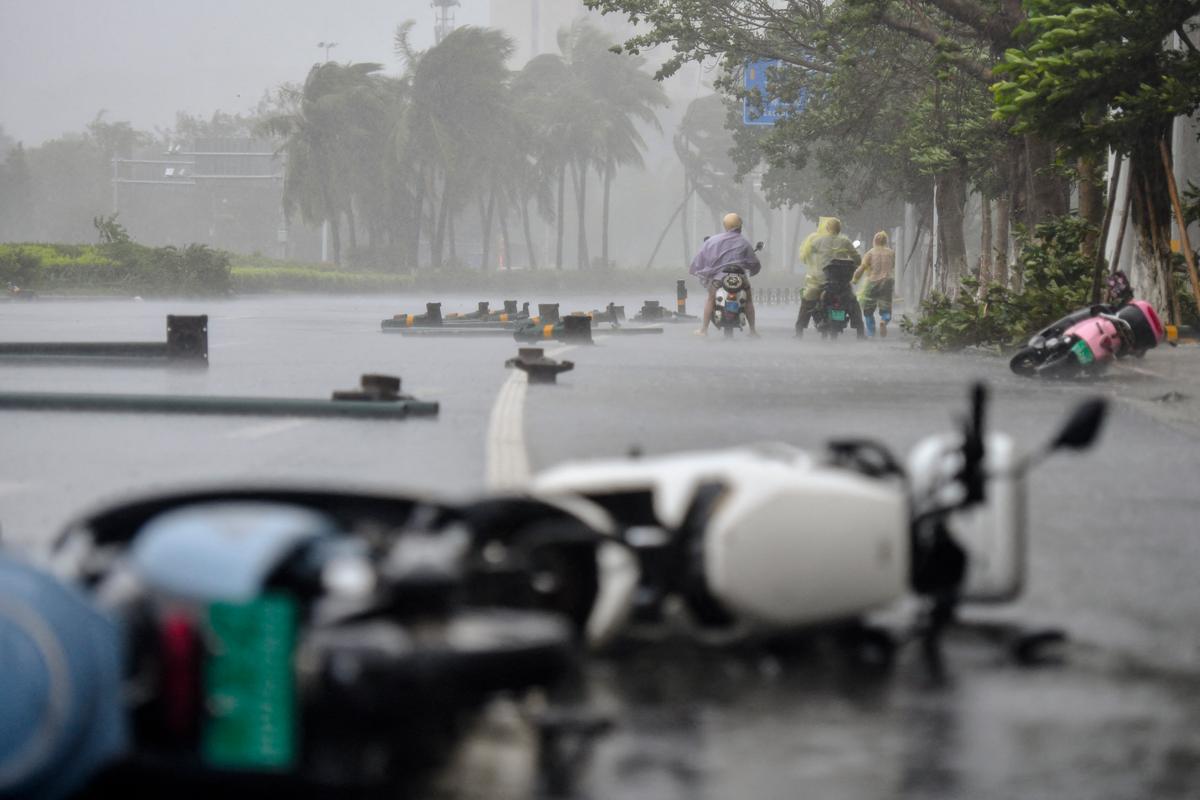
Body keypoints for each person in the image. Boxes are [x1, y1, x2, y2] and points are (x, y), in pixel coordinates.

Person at [690, 212, 762, 336]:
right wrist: (752, 270)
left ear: (725, 226)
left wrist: (700, 270)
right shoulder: (744, 242)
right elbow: (754, 263)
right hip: (741, 279)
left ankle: (704, 330)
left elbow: (699, 259)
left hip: (719, 279)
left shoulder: (712, 241)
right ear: (739, 226)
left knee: (711, 299)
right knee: (749, 301)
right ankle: (753, 331)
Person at [794, 216, 865, 338]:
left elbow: (808, 251)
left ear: (827, 228)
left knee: (807, 301)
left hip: (821, 282)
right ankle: (860, 332)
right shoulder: (845, 242)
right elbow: (858, 259)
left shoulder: (819, 241)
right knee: (853, 303)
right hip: (842, 285)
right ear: (839, 229)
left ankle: (799, 330)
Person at [853, 231, 896, 337]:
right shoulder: (891, 252)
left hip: (872, 282)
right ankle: (884, 321)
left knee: (868, 310)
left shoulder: (870, 253)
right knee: (886, 308)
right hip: (887, 281)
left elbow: (861, 269)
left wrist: (855, 279)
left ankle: (871, 332)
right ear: (885, 241)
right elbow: (892, 266)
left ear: (874, 241)